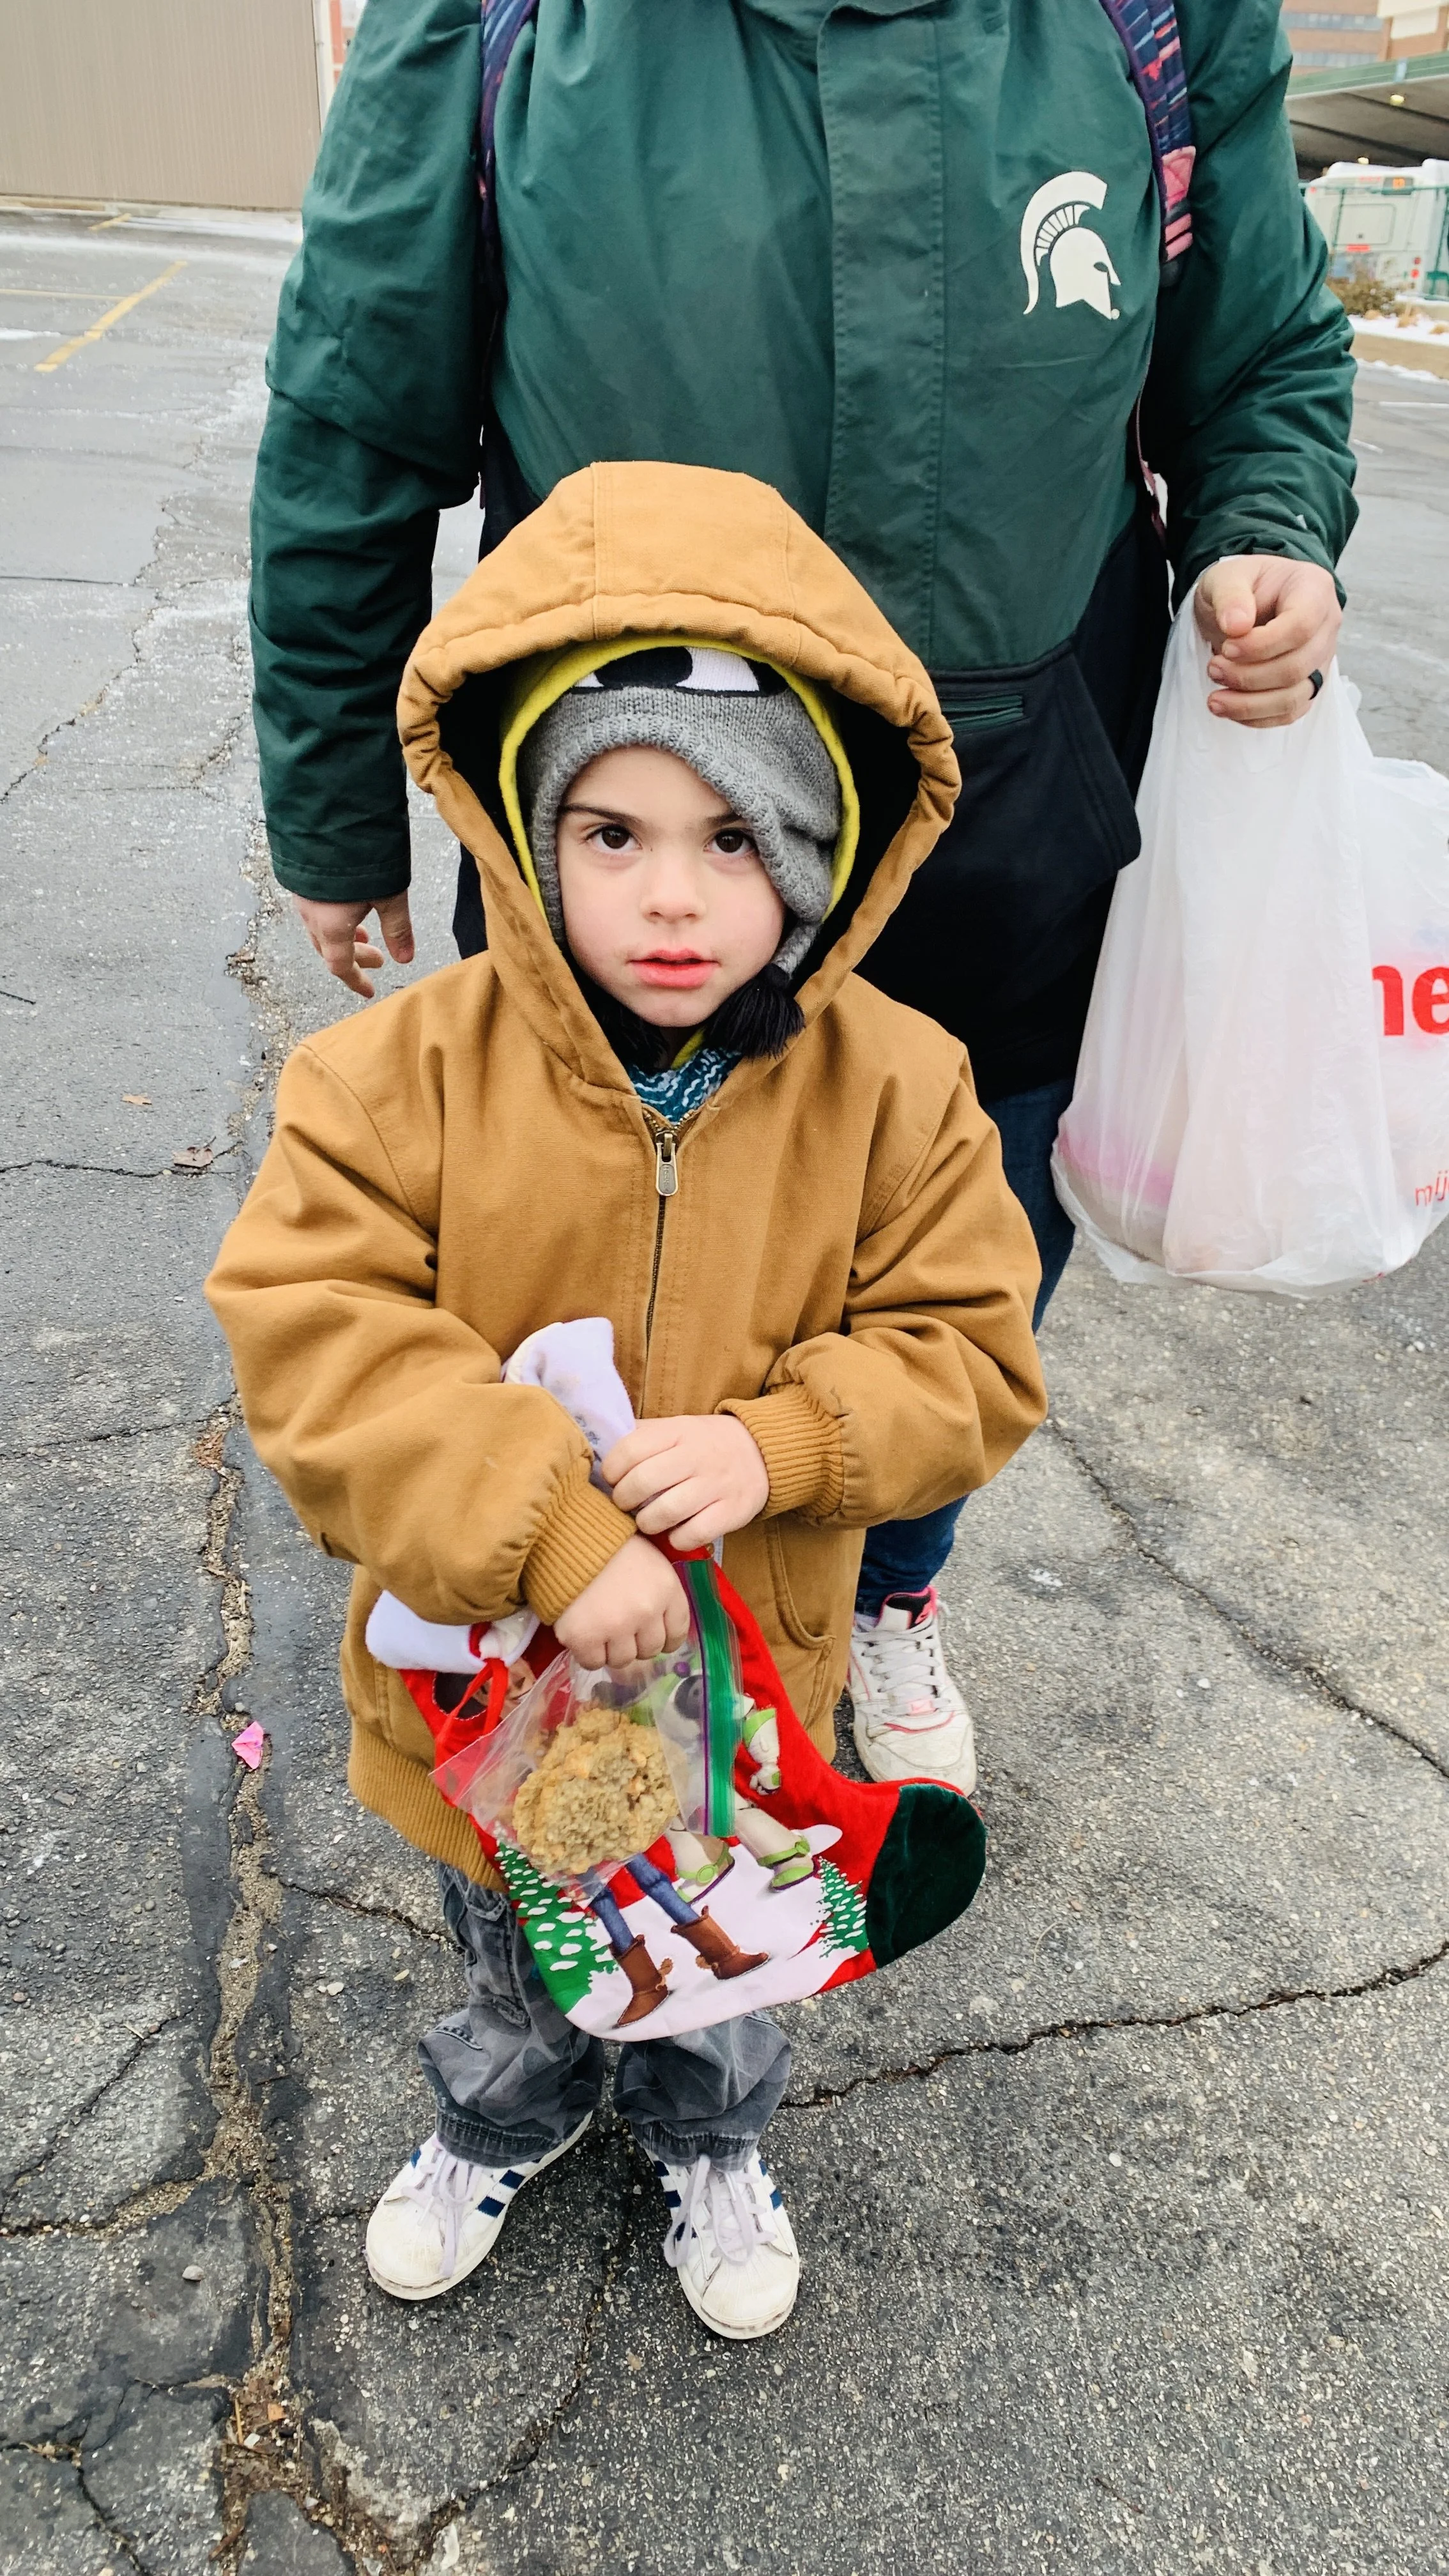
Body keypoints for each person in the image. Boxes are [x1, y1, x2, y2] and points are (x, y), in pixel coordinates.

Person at [247, 0, 1356, 1787]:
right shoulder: (492, 26)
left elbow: (1261, 360)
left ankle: (889, 1590)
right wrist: (333, 807)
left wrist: (1264, 532)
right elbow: (356, 412)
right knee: (569, 1238)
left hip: (1003, 822)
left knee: (962, 1240)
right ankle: (564, 1598)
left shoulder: (1150, 16)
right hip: (613, 815)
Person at [207, 461, 1047, 2340]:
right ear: (520, 825)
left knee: (725, 1970)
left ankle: (708, 2141)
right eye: (610, 833)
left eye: (736, 840)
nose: (673, 897)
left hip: (749, 1701)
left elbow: (973, 1352)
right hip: (499, 1700)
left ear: (826, 851)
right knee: (524, 1956)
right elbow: (318, 1333)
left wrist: (785, 1443)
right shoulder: (389, 1079)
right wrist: (550, 1529)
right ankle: (497, 2124)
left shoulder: (900, 1086)